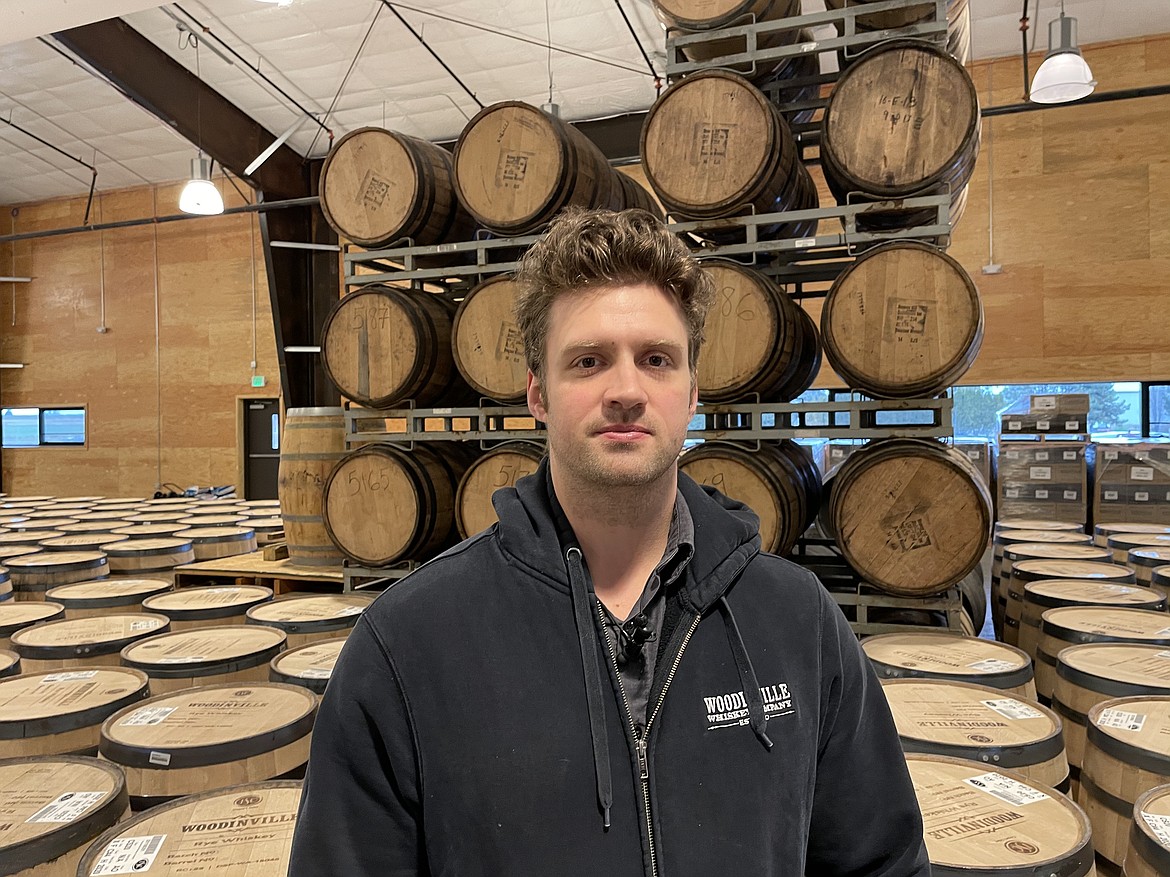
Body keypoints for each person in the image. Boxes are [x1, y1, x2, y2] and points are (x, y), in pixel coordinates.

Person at [289, 208, 929, 876]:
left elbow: (881, 862)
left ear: (692, 392)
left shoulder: (799, 619)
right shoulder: (407, 642)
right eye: (588, 361)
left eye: (656, 360)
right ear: (538, 392)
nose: (626, 390)